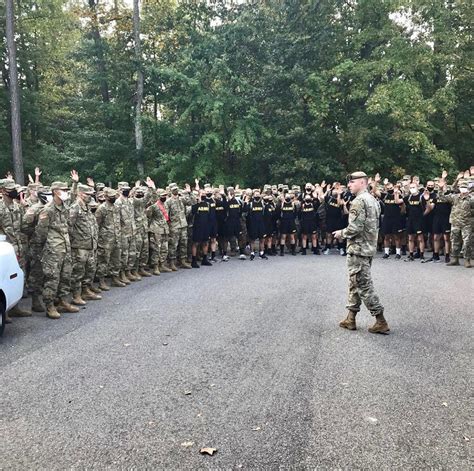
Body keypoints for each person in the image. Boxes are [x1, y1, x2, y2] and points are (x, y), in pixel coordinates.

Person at [333, 172, 389, 335]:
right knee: (355, 282)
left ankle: (380, 320)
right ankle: (351, 318)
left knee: (363, 285)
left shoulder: (359, 201)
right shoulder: (373, 200)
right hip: (368, 247)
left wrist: (340, 234)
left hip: (358, 248)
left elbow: (355, 228)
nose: (349, 185)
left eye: (351, 182)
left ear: (362, 183)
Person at [36, 181, 79, 319]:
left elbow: (72, 197)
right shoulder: (48, 209)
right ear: (55, 191)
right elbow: (41, 232)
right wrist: (47, 248)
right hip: (53, 250)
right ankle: (49, 305)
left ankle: (62, 302)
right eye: (63, 190)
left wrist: (75, 183)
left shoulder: (64, 207)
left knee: (66, 277)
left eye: (67, 189)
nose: (66, 192)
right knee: (52, 278)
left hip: (65, 248)